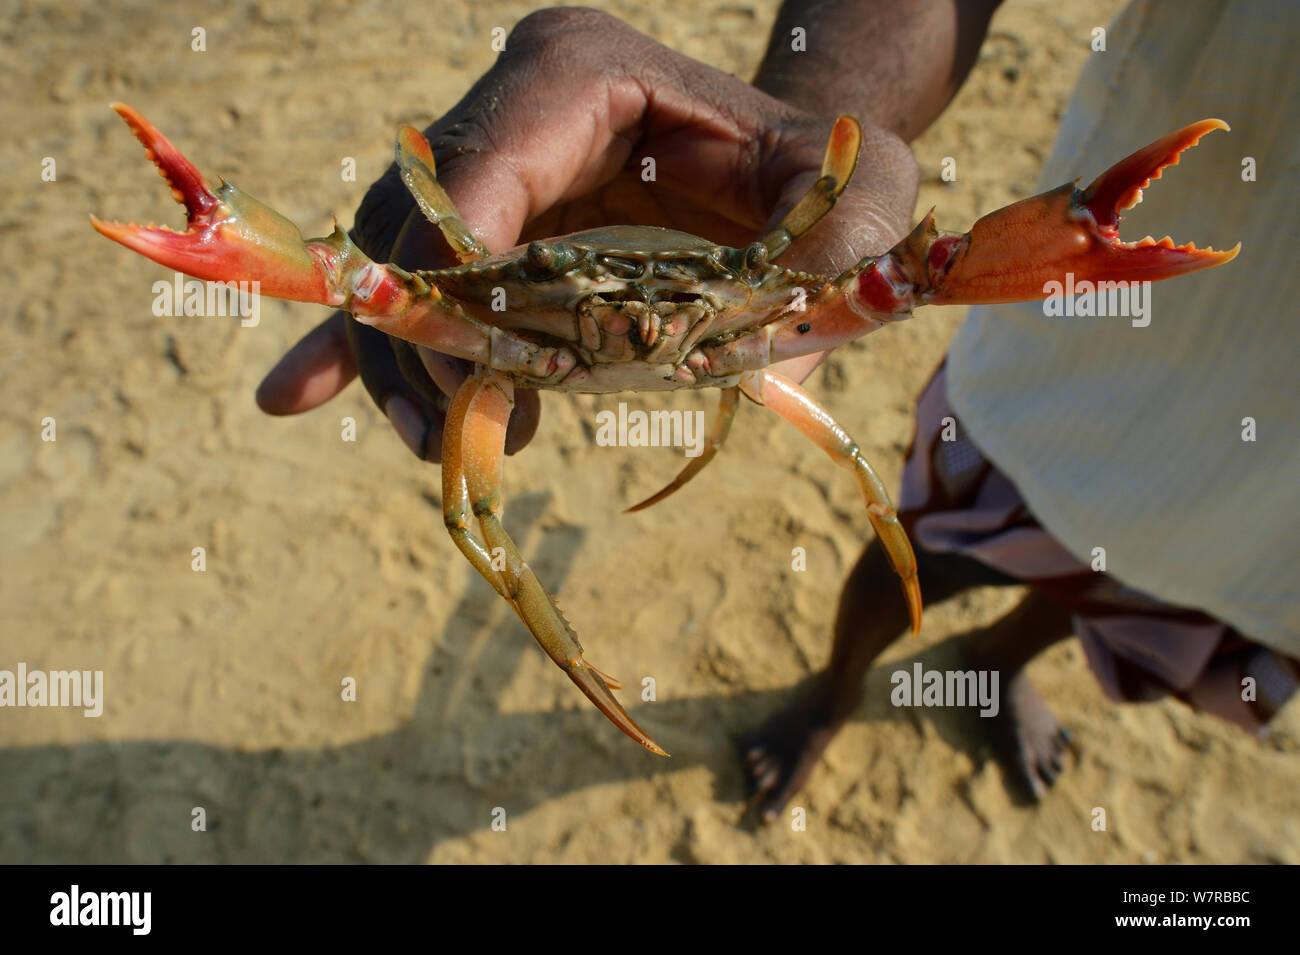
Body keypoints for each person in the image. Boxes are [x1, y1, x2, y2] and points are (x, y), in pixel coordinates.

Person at [256, 1, 1299, 818]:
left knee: (1012, 540)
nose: (636, 320)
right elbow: (375, 281)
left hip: (1270, 524)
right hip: (1073, 381)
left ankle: (990, 662)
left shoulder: (761, 321)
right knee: (949, 526)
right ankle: (822, 687)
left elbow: (876, 273)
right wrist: (388, 289)